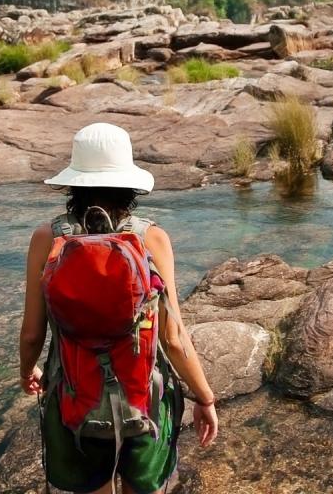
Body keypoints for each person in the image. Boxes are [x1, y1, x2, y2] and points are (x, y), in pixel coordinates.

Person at [19, 122, 219, 494]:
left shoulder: (47, 238)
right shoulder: (151, 239)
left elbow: (33, 332)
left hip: (74, 402)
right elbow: (173, 338)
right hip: (144, 403)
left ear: (73, 183)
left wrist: (26, 370)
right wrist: (204, 397)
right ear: (130, 184)